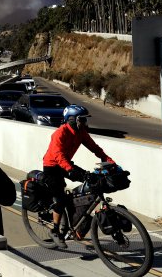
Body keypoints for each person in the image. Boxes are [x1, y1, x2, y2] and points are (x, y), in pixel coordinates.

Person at [42, 104, 115, 248]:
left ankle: (76, 218)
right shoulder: (60, 133)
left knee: (91, 181)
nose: (84, 123)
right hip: (52, 166)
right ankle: (55, 230)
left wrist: (109, 161)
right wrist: (70, 169)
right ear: (71, 120)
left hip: (66, 164)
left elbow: (94, 148)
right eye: (82, 120)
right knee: (60, 198)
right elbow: (57, 155)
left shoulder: (81, 132)